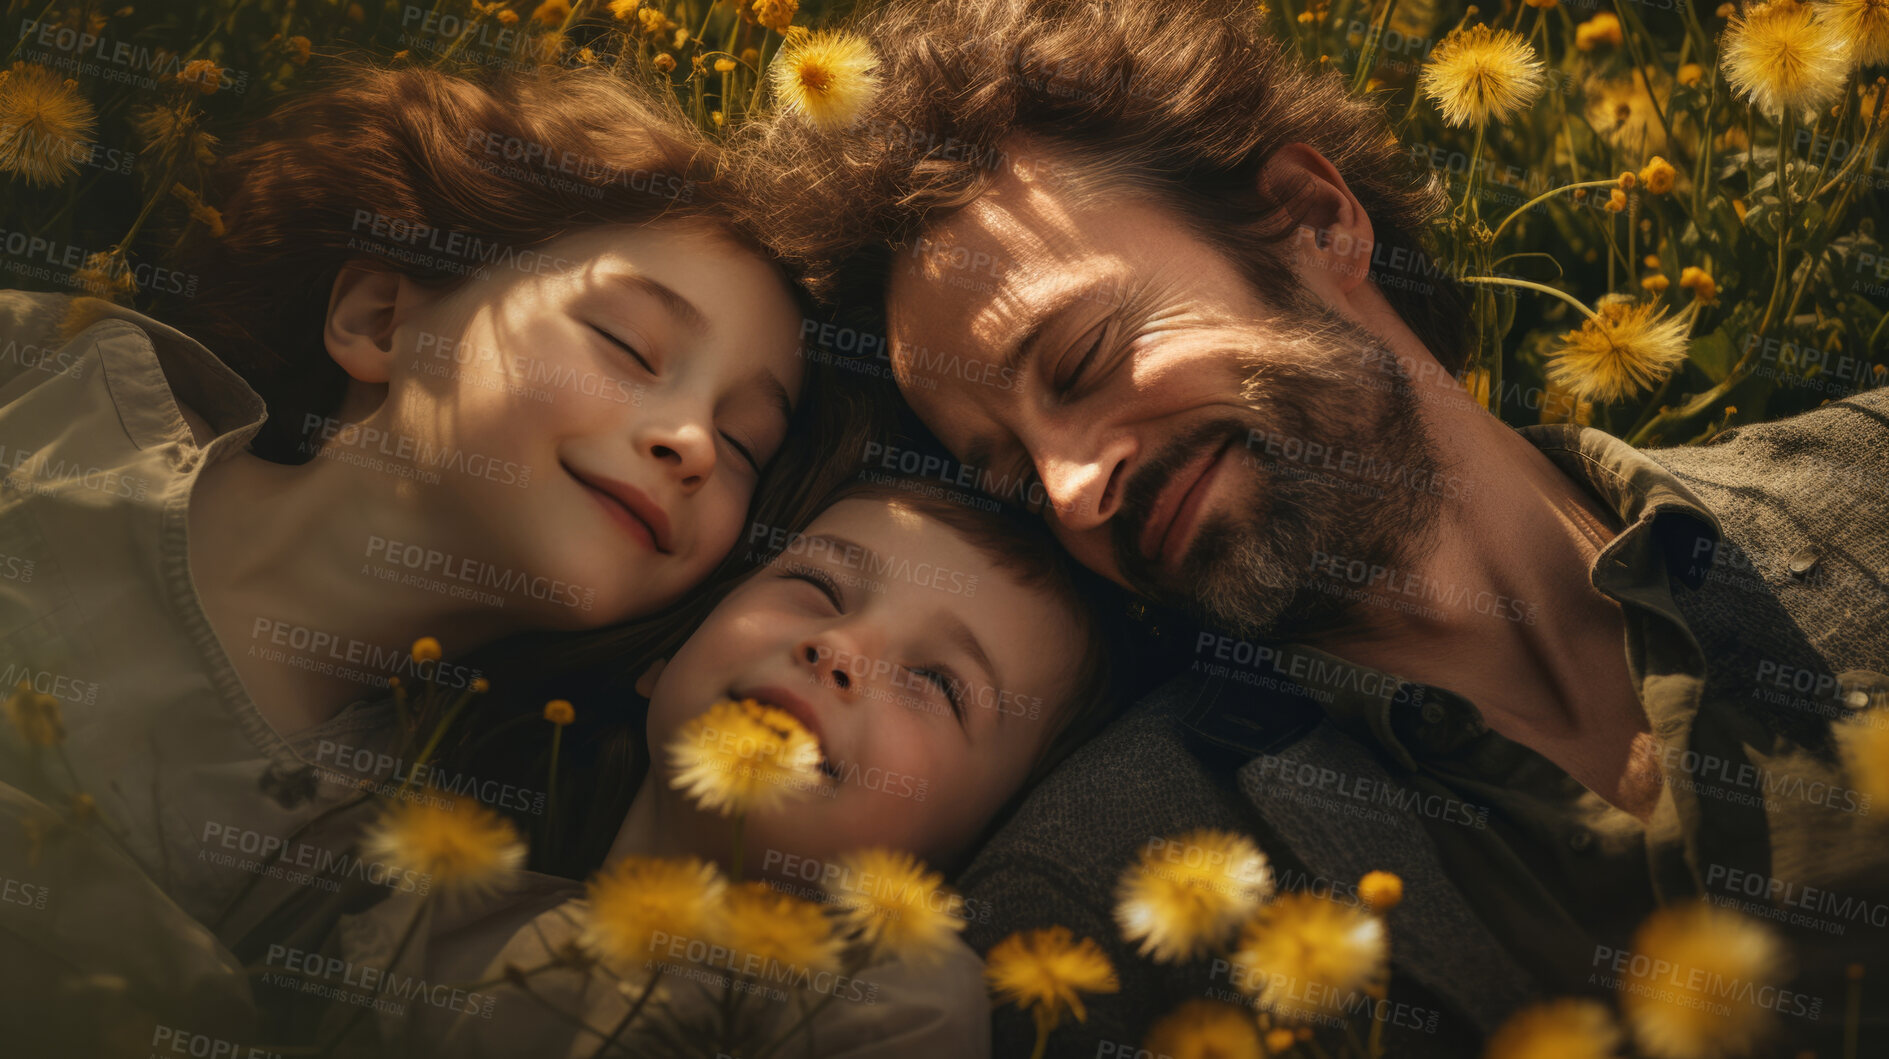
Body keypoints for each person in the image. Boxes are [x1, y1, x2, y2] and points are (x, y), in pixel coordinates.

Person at [746, 0, 1889, 1054]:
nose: (1070, 490)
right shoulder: (1090, 914)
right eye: (1006, 476)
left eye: (1083, 360)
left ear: (1313, 222)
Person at [0, 59, 859, 1048]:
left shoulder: (410, 881)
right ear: (380, 320)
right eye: (626, 344)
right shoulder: (59, 393)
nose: (695, 444)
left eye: (745, 443)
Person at [274, 475, 1131, 1058]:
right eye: (820, 588)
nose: (838, 648)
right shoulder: (389, 867)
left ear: (980, 840)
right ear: (668, 655)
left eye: (938, 682)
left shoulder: (891, 1005)